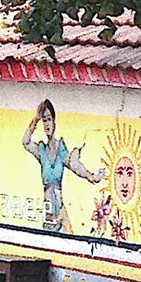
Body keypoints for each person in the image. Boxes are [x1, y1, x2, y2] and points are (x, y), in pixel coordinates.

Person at [22, 99, 104, 231]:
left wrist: (92, 176)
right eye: (44, 120)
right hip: (48, 212)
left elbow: (76, 166)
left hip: (60, 211)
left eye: (49, 119)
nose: (47, 124)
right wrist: (36, 119)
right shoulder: (42, 151)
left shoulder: (61, 149)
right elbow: (26, 142)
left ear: (54, 122)